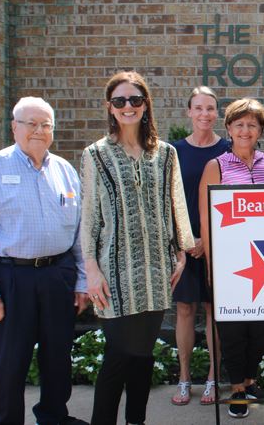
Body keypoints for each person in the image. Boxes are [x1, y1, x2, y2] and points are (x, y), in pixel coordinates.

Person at [0, 96, 89, 425]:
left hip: (58, 274)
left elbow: (79, 234)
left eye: (46, 125)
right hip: (12, 278)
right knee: (10, 360)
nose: (38, 130)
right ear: (14, 127)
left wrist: (82, 282)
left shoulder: (65, 171)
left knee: (58, 355)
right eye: (31, 123)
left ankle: (54, 416)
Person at [80, 72, 192, 425]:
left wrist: (181, 252)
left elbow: (176, 204)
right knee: (118, 355)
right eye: (120, 101)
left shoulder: (166, 154)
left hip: (157, 270)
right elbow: (89, 216)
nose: (128, 106)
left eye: (135, 100)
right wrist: (90, 269)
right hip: (113, 272)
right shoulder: (96, 155)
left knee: (143, 354)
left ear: (146, 106)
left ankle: (136, 421)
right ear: (110, 107)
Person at [198, 97, 264, 419]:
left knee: (263, 327)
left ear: (260, 130)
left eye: (252, 125)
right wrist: (211, 266)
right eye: (239, 124)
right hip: (230, 261)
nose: (246, 130)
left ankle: (250, 380)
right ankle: (236, 389)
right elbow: (206, 219)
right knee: (232, 329)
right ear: (229, 129)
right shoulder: (216, 166)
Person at [170, 86, 228, 407]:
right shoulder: (174, 151)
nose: (205, 114)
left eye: (210, 108)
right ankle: (184, 378)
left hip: (217, 243)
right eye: (199, 108)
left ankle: (212, 379)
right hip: (184, 244)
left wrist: (209, 238)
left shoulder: (227, 149)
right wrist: (185, 240)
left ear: (217, 113)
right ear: (189, 112)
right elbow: (169, 199)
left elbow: (231, 200)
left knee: (212, 310)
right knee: (184, 309)